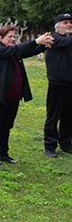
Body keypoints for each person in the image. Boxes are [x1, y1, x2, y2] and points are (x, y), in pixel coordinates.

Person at [0, 25, 53, 166]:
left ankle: (3, 153)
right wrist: (36, 41)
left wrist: (44, 45)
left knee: (7, 126)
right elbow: (19, 49)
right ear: (0, 38)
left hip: (14, 96)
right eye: (9, 37)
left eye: (13, 37)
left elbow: (28, 51)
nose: (12, 39)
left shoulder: (12, 51)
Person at [43, 13, 72, 157]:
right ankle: (50, 145)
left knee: (68, 116)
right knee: (53, 116)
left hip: (70, 84)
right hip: (57, 84)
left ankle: (66, 142)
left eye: (70, 22)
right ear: (57, 26)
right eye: (65, 22)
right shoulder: (53, 39)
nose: (69, 24)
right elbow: (64, 43)